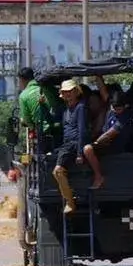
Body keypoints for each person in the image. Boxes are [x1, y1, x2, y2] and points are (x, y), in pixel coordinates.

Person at [52, 78, 103, 214]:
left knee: (57, 170)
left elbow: (82, 131)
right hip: (67, 145)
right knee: (57, 170)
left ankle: (70, 202)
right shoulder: (65, 110)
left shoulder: (80, 107)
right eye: (65, 92)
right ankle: (69, 199)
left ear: (76, 92)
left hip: (75, 144)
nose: (68, 94)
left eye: (70, 91)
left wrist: (80, 153)